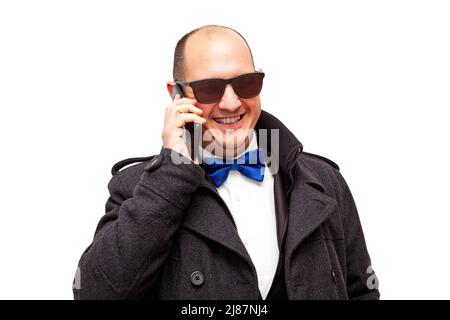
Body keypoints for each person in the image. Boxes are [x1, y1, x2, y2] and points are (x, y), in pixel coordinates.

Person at [73, 25, 380, 300]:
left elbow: (362, 291)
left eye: (246, 83)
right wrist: (170, 173)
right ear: (176, 94)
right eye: (210, 88)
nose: (231, 103)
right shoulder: (137, 186)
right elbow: (94, 293)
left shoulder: (324, 182)